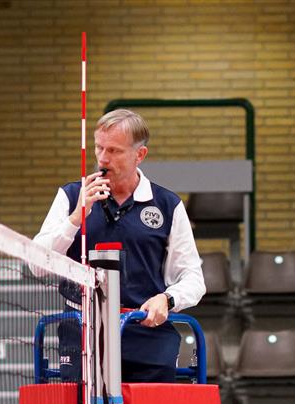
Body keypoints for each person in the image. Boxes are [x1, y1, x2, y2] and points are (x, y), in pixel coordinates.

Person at [34, 108, 205, 383]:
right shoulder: (71, 196)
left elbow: (193, 278)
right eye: (99, 148)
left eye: (114, 150)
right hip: (83, 330)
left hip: (146, 330)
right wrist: (76, 218)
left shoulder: (168, 205)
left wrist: (167, 299)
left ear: (140, 155)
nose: (103, 158)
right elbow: (37, 265)